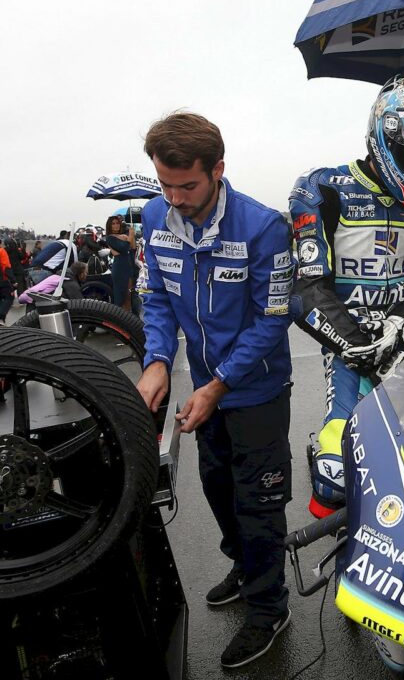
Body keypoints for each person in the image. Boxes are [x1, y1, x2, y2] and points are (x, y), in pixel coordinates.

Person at [133, 111, 294, 669]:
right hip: (205, 393)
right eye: (165, 184)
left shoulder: (265, 226)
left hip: (256, 393)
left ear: (218, 170)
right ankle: (245, 568)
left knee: (259, 504)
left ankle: (269, 607)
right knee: (217, 486)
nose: (175, 197)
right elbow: (155, 297)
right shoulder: (154, 216)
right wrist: (156, 360)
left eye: (188, 185)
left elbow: (271, 321)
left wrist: (220, 383)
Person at [289, 72, 404, 519]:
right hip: (350, 347)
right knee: (331, 484)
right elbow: (306, 289)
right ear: (386, 141)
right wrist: (360, 345)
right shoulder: (322, 188)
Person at [18, 261, 87, 305]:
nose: (87, 275)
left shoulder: (61, 276)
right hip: (37, 306)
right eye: (86, 272)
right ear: (80, 273)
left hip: (34, 302)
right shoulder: (68, 281)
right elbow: (80, 304)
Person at [104, 215, 136, 310]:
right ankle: (119, 320)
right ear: (109, 226)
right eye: (113, 224)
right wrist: (129, 237)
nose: (116, 225)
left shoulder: (124, 236)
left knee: (129, 296)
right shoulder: (110, 238)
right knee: (120, 296)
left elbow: (133, 249)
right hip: (119, 268)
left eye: (117, 223)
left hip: (129, 266)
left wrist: (132, 236)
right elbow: (124, 248)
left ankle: (129, 320)